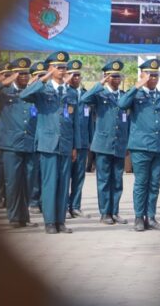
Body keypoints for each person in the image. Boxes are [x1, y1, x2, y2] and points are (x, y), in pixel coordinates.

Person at [20, 51, 77, 234]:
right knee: (50, 183)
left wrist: (74, 145)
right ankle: (50, 222)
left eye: (64, 68)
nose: (62, 70)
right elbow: (24, 95)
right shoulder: (42, 89)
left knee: (63, 184)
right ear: (50, 68)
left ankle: (61, 221)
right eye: (59, 67)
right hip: (48, 143)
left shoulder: (71, 92)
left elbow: (71, 120)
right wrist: (44, 78)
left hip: (66, 143)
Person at [118, 59, 160, 232]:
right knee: (141, 182)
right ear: (142, 75)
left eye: (156, 75)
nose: (153, 78)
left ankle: (150, 217)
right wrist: (137, 85)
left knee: (154, 184)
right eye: (150, 75)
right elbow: (121, 104)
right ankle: (138, 217)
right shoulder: (135, 95)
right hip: (141, 147)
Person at [0, 57, 38, 228]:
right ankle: (15, 218)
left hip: (29, 143)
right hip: (10, 145)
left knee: (27, 182)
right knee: (13, 182)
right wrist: (2, 81)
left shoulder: (32, 92)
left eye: (26, 73)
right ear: (14, 74)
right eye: (20, 73)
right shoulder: (4, 92)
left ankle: (24, 217)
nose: (24, 76)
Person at [80, 60, 130, 225]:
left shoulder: (123, 95)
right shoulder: (99, 95)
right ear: (106, 78)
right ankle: (104, 213)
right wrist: (99, 84)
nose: (116, 79)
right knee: (104, 180)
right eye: (112, 76)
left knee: (117, 180)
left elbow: (128, 120)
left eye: (118, 76)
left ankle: (114, 212)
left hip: (120, 143)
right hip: (103, 143)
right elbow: (84, 99)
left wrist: (128, 142)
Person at [67, 59, 92, 219]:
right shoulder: (63, 93)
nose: (76, 78)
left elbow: (90, 121)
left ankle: (75, 206)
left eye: (78, 75)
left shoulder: (84, 94)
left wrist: (89, 141)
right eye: (73, 75)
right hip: (67, 143)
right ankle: (62, 206)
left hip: (82, 142)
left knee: (79, 176)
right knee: (64, 176)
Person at [27, 61, 46, 214]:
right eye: (37, 76)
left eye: (43, 75)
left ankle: (40, 200)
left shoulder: (44, 92)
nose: (40, 79)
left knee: (41, 171)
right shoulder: (29, 92)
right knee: (31, 172)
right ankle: (32, 200)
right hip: (27, 138)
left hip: (42, 138)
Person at [0, 61, 12, 209]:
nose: (7, 77)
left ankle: (8, 197)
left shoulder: (13, 90)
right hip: (1, 137)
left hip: (14, 137)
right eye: (4, 74)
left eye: (9, 74)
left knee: (10, 171)